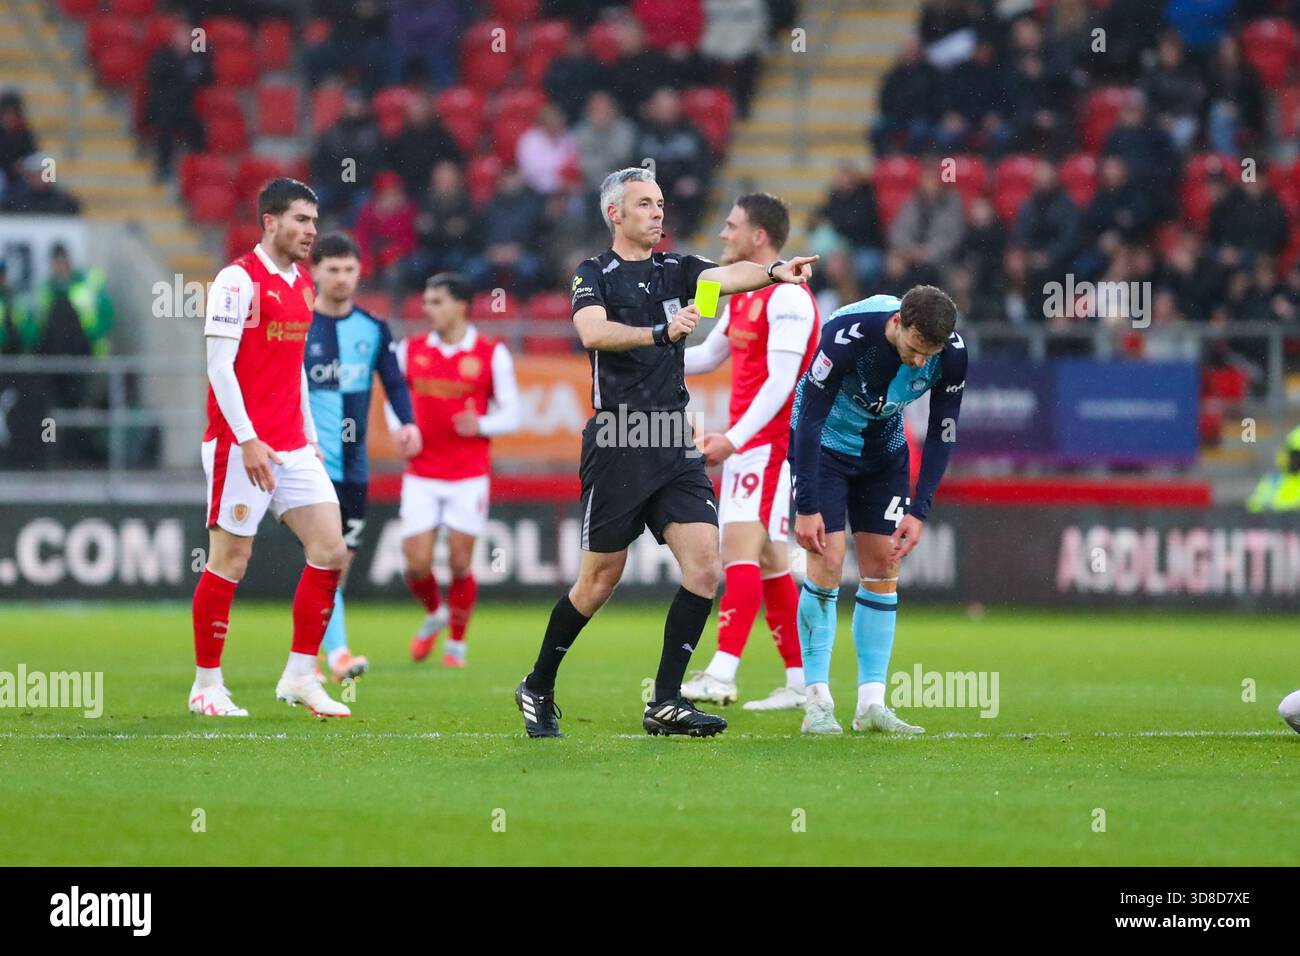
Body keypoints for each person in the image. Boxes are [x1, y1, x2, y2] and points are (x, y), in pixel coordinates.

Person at [514, 166, 818, 738]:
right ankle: (538, 683)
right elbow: (594, 334)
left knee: (705, 567)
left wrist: (777, 271)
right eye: (646, 204)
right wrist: (661, 331)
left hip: (674, 437)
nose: (659, 212)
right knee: (598, 582)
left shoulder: (678, 269)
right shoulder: (593, 274)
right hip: (618, 438)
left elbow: (731, 276)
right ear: (616, 214)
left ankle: (666, 701)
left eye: (660, 203)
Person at [189, 178, 350, 719]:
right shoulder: (237, 281)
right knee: (230, 559)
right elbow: (218, 366)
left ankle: (301, 675)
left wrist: (309, 434)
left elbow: (294, 370)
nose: (311, 230)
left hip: (290, 445)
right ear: (270, 222)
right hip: (239, 446)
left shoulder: (304, 285)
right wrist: (248, 437)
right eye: (301, 220)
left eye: (314, 220)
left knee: (331, 549)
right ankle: (206, 685)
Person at [789, 285, 965, 735]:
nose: (920, 362)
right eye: (914, 348)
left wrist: (919, 510)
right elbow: (807, 418)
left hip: (884, 452)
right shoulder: (848, 334)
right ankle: (817, 703)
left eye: (931, 353)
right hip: (826, 446)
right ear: (897, 324)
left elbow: (943, 431)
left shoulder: (953, 354)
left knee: (884, 568)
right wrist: (806, 505)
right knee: (827, 562)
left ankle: (871, 704)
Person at [680, 193, 819, 710]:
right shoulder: (734, 289)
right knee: (768, 561)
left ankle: (721, 674)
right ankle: (801, 680)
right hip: (749, 444)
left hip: (771, 445)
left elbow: (783, 381)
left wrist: (735, 439)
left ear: (759, 237)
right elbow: (709, 355)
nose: (722, 234)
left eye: (732, 226)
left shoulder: (789, 297)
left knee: (736, 551)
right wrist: (650, 349)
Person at [306, 232, 421, 682]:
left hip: (354, 468)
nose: (341, 277)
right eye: (332, 269)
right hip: (308, 465)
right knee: (328, 557)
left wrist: (407, 422)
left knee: (338, 566)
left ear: (360, 272)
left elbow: (393, 382)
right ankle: (336, 656)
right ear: (314, 271)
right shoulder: (300, 327)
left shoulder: (372, 329)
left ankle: (310, 655)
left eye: (348, 269)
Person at [389, 272, 518, 668]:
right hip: (422, 472)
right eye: (426, 301)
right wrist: (401, 430)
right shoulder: (408, 350)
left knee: (461, 562)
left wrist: (481, 424)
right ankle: (435, 614)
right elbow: (393, 400)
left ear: (461, 305)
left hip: (468, 473)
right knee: (415, 563)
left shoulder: (490, 352)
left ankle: (456, 645)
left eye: (437, 301)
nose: (428, 308)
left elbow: (512, 413)